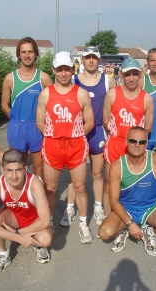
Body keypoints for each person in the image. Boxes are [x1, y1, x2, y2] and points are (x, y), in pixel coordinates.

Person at [99, 126, 156, 255]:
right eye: (133, 141)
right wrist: (130, 223)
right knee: (104, 233)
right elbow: (114, 201)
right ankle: (125, 228)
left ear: (146, 144)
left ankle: (149, 231)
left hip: (151, 208)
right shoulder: (117, 166)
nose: (137, 145)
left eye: (142, 142)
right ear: (126, 142)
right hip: (126, 208)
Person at [36, 51, 95, 244]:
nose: (63, 73)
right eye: (59, 69)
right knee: (51, 188)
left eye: (67, 69)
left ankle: (84, 224)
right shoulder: (46, 94)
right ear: (53, 70)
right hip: (53, 146)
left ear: (72, 69)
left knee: (79, 187)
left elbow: (90, 122)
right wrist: (54, 136)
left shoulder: (81, 93)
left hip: (76, 146)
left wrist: (74, 135)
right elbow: (39, 122)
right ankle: (48, 223)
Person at [61, 46, 115, 227]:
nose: (91, 60)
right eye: (87, 57)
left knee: (97, 173)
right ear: (81, 60)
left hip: (98, 131)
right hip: (77, 133)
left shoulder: (108, 81)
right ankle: (69, 208)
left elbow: (114, 105)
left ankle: (98, 207)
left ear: (99, 60)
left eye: (94, 57)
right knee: (74, 176)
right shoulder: (73, 79)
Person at [0, 150, 53, 276]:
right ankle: (3, 253)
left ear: (25, 169)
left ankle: (39, 246)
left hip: (35, 219)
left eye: (18, 170)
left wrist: (17, 233)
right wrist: (18, 238)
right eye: (9, 170)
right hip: (15, 216)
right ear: (2, 170)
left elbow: (45, 221)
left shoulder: (34, 183)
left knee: (45, 240)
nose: (14, 176)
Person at [103, 57, 154, 229]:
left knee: (135, 185)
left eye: (135, 74)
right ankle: (111, 218)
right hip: (116, 143)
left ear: (140, 75)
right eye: (127, 74)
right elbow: (105, 121)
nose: (131, 78)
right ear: (121, 75)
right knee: (109, 184)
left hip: (136, 146)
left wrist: (134, 143)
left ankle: (134, 217)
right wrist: (119, 135)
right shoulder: (112, 94)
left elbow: (148, 128)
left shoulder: (146, 98)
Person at [1, 37, 52, 179]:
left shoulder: (44, 78)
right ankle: (20, 200)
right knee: (17, 170)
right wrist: (15, 119)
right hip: (17, 127)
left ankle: (38, 200)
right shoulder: (10, 78)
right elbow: (4, 104)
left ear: (36, 54)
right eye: (23, 52)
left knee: (39, 171)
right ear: (18, 54)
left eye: (30, 51)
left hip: (37, 128)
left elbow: (52, 105)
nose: (27, 55)